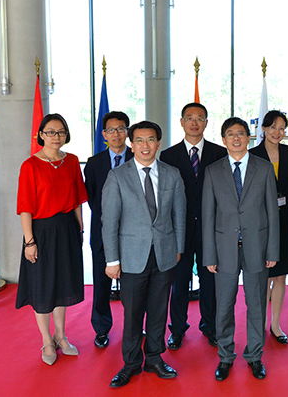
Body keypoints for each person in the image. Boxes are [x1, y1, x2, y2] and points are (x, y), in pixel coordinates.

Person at [102, 121, 186, 387]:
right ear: (131, 144)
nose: (145, 145)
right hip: (130, 257)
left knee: (159, 310)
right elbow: (109, 221)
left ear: (158, 143)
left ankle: (154, 358)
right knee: (133, 313)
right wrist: (112, 260)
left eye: (150, 139)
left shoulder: (172, 174)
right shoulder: (118, 176)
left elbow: (179, 215)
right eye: (139, 140)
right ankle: (130, 363)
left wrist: (178, 249)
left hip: (164, 254)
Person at [202, 117, 280, 381]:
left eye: (241, 134)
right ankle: (225, 356)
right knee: (224, 305)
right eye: (230, 134)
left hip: (257, 246)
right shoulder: (213, 171)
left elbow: (272, 212)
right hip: (223, 249)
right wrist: (209, 254)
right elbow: (208, 216)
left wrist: (272, 251)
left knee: (256, 304)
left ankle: (255, 356)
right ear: (223, 139)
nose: (236, 138)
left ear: (249, 138)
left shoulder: (264, 168)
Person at [16, 113, 88, 365]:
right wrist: (29, 241)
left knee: (63, 283)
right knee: (43, 285)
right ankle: (47, 340)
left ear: (66, 135)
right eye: (50, 132)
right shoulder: (30, 165)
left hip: (67, 229)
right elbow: (25, 207)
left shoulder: (72, 161)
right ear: (41, 135)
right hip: (41, 232)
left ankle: (60, 335)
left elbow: (78, 199)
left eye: (60, 132)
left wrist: (80, 229)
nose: (56, 136)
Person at [161, 102, 227, 350]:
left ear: (206, 123)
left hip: (211, 228)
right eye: (189, 118)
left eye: (200, 118)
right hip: (179, 229)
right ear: (181, 122)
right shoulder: (168, 156)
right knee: (179, 281)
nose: (194, 123)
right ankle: (177, 329)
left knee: (210, 280)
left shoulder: (220, 153)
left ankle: (210, 326)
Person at [249, 110, 288, 345]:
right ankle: (259, 324)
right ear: (264, 128)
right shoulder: (252, 155)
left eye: (281, 128)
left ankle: (276, 325)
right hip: (260, 221)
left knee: (280, 276)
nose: (277, 132)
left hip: (286, 220)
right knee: (263, 277)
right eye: (273, 127)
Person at [84, 111, 133, 349]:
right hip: (103, 232)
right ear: (104, 134)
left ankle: (135, 326)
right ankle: (102, 329)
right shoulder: (94, 163)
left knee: (134, 285)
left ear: (127, 132)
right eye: (111, 130)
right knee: (102, 283)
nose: (116, 134)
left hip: (134, 233)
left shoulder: (138, 156)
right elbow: (92, 198)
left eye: (121, 129)